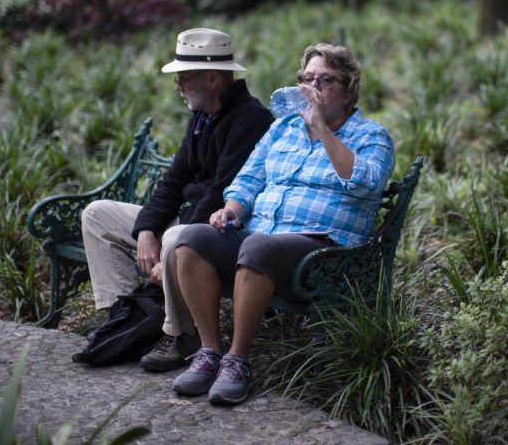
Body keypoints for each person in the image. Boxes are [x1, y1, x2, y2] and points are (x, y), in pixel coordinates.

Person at [170, 43, 396, 405]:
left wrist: (323, 130)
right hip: (261, 240)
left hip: (323, 251)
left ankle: (239, 360)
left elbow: (363, 180)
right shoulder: (283, 130)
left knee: (258, 247)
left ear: (349, 89)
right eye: (307, 78)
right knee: (193, 238)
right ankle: (210, 352)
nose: (313, 87)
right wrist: (231, 208)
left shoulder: (372, 136)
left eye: (326, 80)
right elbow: (248, 180)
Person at [79, 28, 274, 373]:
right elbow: (175, 179)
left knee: (177, 237)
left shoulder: (251, 120)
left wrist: (172, 236)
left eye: (184, 77)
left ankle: (180, 334)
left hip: (220, 230)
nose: (178, 85)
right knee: (97, 216)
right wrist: (146, 230)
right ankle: (128, 318)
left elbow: (221, 191)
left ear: (213, 78)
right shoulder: (201, 115)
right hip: (184, 220)